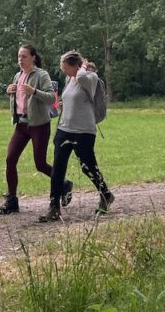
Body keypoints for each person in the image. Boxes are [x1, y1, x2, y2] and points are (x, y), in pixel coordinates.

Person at [0, 43, 72, 216]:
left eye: (24, 56)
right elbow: (19, 99)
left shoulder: (41, 75)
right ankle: (12, 201)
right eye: (19, 57)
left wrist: (34, 91)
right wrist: (9, 91)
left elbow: (51, 98)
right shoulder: (18, 75)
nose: (20, 60)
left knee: (40, 164)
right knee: (10, 159)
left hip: (39, 125)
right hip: (21, 125)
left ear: (33, 58)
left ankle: (64, 184)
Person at [38, 51, 114, 222]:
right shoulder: (69, 79)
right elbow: (72, 97)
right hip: (64, 129)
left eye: (66, 68)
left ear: (76, 66)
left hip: (84, 131)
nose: (64, 71)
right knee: (58, 169)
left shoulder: (90, 78)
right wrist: (64, 104)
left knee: (88, 167)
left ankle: (106, 194)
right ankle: (54, 208)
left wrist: (84, 66)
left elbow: (81, 77)